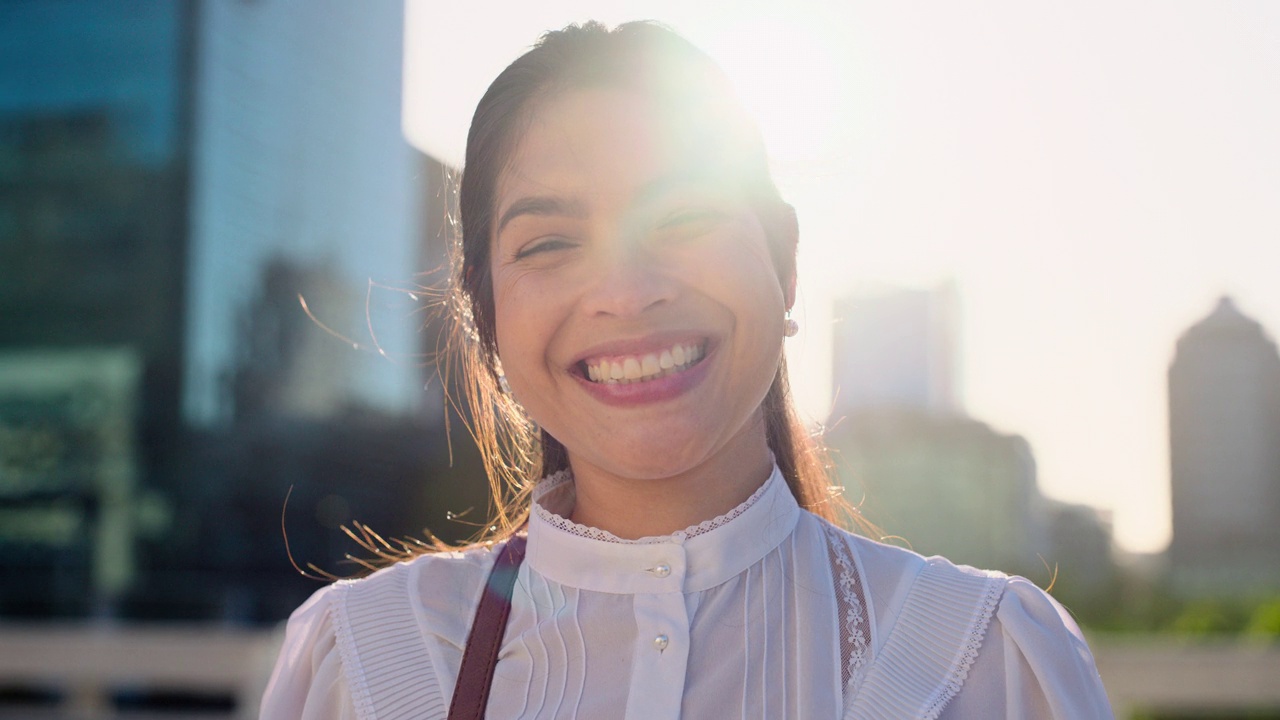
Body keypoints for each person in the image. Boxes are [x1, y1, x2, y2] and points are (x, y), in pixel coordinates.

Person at [260, 21, 1113, 719]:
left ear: (783, 262)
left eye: (685, 216)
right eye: (550, 242)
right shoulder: (367, 662)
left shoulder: (984, 657)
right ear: (486, 318)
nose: (626, 294)